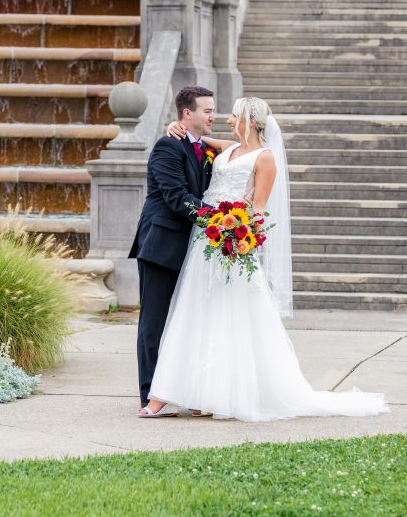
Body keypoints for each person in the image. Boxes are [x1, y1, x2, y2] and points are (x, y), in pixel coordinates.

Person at [137, 96, 389, 421]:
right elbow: (202, 142)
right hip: (203, 241)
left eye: (233, 115)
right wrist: (181, 130)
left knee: (228, 317)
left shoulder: (264, 158)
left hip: (230, 242)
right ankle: (180, 392)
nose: (227, 120)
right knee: (194, 311)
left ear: (249, 121)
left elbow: (257, 209)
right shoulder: (226, 151)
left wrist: (237, 234)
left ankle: (208, 394)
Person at [128, 86, 217, 412]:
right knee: (153, 324)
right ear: (186, 114)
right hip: (161, 246)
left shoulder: (208, 150)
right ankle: (150, 394)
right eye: (207, 110)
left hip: (194, 252)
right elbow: (176, 196)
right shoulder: (167, 146)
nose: (212, 115)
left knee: (189, 323)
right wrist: (218, 220)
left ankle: (188, 389)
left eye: (213, 109)